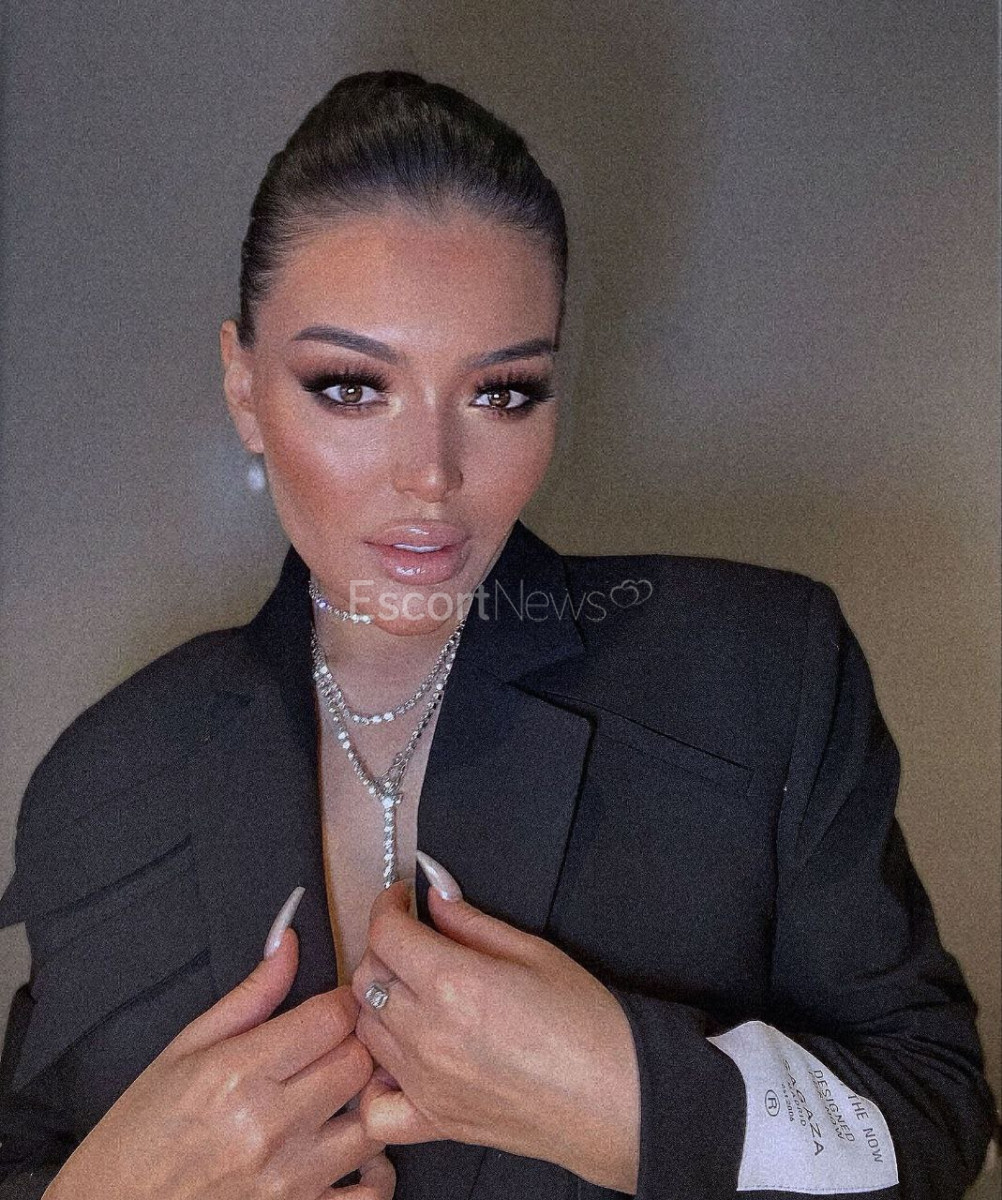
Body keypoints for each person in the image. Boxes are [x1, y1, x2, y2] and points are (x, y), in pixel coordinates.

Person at [0, 69, 995, 1200]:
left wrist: (633, 1102)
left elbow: (934, 1117)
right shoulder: (105, 773)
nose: (432, 476)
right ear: (243, 388)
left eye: (502, 393)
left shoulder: (759, 676)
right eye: (351, 387)